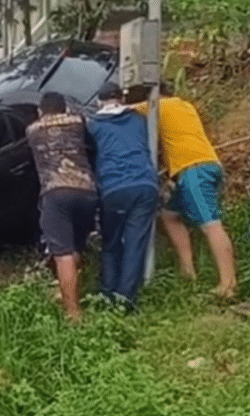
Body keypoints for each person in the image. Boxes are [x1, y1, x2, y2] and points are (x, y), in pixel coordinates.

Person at [134, 84, 237, 298]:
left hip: (194, 169)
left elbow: (124, 111)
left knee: (210, 224)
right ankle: (187, 272)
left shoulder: (159, 105)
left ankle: (228, 284)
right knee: (169, 214)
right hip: (204, 166)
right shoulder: (184, 105)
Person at [24, 92, 99, 320]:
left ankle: (73, 314)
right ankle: (67, 291)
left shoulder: (32, 130)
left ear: (40, 112)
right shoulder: (78, 121)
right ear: (64, 108)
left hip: (55, 194)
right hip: (87, 191)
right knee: (76, 248)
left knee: (63, 254)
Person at [88, 82, 158, 309]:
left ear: (100, 101)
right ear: (121, 98)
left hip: (113, 189)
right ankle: (126, 300)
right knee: (136, 244)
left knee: (111, 243)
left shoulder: (93, 126)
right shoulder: (139, 119)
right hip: (145, 185)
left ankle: (108, 294)